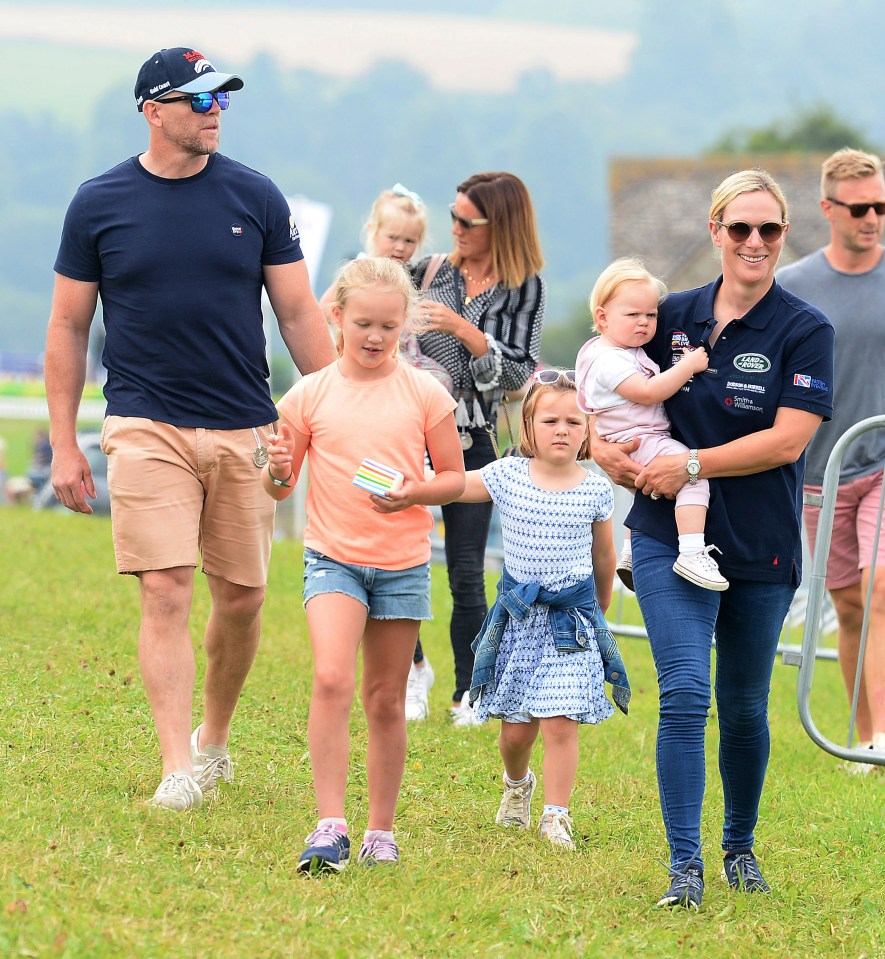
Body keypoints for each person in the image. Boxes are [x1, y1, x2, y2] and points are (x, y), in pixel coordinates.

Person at [45, 47, 337, 812]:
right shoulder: (98, 202)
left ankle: (212, 739)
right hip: (144, 423)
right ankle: (177, 764)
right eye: (198, 99)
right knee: (166, 590)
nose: (214, 111)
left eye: (221, 100)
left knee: (240, 599)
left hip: (244, 425)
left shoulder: (255, 196)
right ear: (153, 110)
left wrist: (336, 408)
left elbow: (299, 313)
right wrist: (67, 439)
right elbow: (69, 326)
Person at [590, 170, 834, 908]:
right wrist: (601, 448)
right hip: (666, 533)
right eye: (739, 229)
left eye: (767, 229)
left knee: (743, 704)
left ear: (784, 234)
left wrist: (689, 462)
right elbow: (595, 375)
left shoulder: (803, 328)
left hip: (758, 539)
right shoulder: (666, 314)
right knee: (686, 693)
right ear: (714, 231)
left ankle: (739, 845)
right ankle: (684, 865)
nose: (753, 242)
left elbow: (787, 441)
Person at [264, 256, 464, 871]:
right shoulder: (309, 394)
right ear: (337, 318)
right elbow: (280, 486)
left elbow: (454, 480)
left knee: (385, 698)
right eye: (363, 325)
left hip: (403, 563)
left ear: (405, 326)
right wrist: (273, 468)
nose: (375, 337)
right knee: (331, 678)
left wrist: (414, 491)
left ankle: (381, 829)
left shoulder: (426, 393)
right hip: (333, 559)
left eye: (387, 326)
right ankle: (329, 825)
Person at [461, 369, 627, 850]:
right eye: (550, 420)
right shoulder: (507, 474)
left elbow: (604, 557)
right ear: (528, 428)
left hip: (571, 625)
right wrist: (410, 488)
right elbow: (454, 486)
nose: (562, 429)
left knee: (560, 721)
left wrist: (598, 613)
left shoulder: (595, 489)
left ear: (588, 433)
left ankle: (557, 814)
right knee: (516, 731)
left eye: (574, 422)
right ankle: (517, 786)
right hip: (519, 621)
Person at [413, 171, 546, 725]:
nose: (456, 229)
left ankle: (471, 691)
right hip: (413, 435)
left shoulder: (524, 287)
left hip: (476, 441)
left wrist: (468, 334)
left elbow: (515, 377)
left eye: (469, 221)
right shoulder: (426, 271)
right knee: (403, 562)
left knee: (466, 570)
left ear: (502, 226)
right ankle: (412, 672)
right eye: (454, 216)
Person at [778, 148, 885, 772]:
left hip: (880, 459)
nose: (873, 218)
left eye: (882, 206)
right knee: (848, 607)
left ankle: (881, 737)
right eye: (861, 208)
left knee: (878, 589)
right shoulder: (795, 287)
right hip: (820, 473)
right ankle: (861, 738)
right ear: (828, 209)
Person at [320, 182, 438, 721]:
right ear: (373, 231)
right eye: (393, 236)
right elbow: (321, 315)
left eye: (410, 241)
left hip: (402, 411)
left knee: (395, 542)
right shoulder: (353, 276)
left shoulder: (417, 287)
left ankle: (413, 667)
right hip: (350, 408)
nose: (400, 248)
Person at [576, 257, 726, 592]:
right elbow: (646, 392)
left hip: (628, 439)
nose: (644, 323)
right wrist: (688, 365)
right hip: (641, 438)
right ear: (602, 317)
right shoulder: (610, 360)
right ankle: (691, 551)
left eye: (651, 315)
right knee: (693, 476)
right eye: (633, 315)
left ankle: (630, 553)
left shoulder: (604, 351)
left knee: (646, 497)